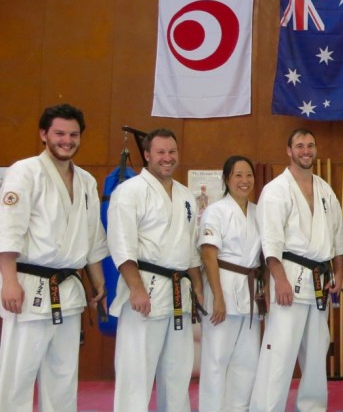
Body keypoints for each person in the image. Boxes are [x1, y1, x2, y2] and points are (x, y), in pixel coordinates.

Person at [0, 104, 107, 411]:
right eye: (59, 133)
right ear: (43, 134)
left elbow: (92, 235)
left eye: (74, 134)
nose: (67, 140)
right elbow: (9, 230)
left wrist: (97, 281)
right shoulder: (25, 171)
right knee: (18, 373)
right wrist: (8, 281)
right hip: (28, 285)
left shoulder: (86, 180)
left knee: (63, 373)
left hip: (69, 288)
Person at [250, 128, 343, 412]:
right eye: (300, 146)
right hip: (289, 275)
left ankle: (313, 407)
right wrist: (278, 280)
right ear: (289, 151)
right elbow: (270, 240)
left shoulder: (325, 189)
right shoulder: (276, 190)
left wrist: (339, 273)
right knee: (279, 351)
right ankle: (267, 408)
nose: (306, 150)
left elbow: (338, 237)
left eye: (310, 145)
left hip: (321, 279)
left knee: (317, 353)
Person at [108, 128, 203, 412]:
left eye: (172, 152)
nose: (167, 158)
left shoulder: (186, 195)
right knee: (136, 371)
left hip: (178, 293)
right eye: (160, 152)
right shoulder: (129, 191)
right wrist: (136, 289)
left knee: (177, 371)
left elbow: (190, 248)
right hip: (145, 289)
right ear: (147, 155)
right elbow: (122, 244)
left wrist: (197, 287)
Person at [198, 156, 262, 412]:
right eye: (238, 175)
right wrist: (218, 297)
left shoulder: (259, 212)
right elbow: (208, 254)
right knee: (216, 359)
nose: (244, 181)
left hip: (249, 291)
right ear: (226, 179)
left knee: (247, 361)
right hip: (222, 285)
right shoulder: (216, 211)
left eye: (248, 175)